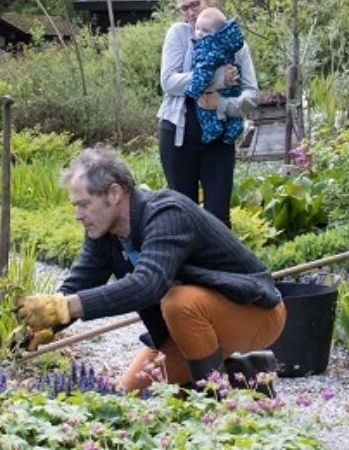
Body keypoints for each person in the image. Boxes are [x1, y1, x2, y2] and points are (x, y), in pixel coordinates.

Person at [15, 146, 286, 394]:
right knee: (127, 393)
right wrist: (44, 323)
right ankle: (246, 374)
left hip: (255, 312)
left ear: (114, 193)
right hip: (193, 327)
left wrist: (67, 307)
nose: (78, 215)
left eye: (84, 204)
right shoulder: (103, 234)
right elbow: (77, 286)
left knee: (179, 302)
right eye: (76, 206)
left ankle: (214, 400)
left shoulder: (167, 213)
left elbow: (148, 284)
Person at [157, 0, 258, 227]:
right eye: (184, 8)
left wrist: (222, 105)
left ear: (210, 0)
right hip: (178, 137)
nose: (190, 13)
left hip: (219, 138)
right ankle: (189, 268)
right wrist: (217, 79)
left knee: (218, 218)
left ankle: (222, 267)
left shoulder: (236, 44)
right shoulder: (178, 34)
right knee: (184, 216)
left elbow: (251, 95)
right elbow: (168, 81)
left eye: (194, 4)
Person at [186, 7, 245, 146]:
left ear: (217, 33)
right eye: (198, 29)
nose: (200, 33)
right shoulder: (226, 43)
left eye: (206, 31)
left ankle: (212, 130)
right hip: (233, 85)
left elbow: (203, 70)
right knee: (233, 115)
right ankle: (234, 128)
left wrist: (194, 88)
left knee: (204, 109)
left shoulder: (206, 46)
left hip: (211, 90)